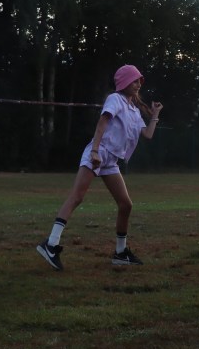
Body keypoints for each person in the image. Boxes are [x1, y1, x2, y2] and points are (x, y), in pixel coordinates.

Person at [36, 65, 162, 270]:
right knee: (77, 197)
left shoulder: (133, 110)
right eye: (134, 80)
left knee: (126, 205)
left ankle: (120, 253)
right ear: (124, 82)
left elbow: (148, 134)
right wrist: (94, 151)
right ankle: (50, 244)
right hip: (98, 153)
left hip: (111, 161)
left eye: (139, 80)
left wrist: (155, 114)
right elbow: (102, 124)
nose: (138, 84)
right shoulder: (115, 99)